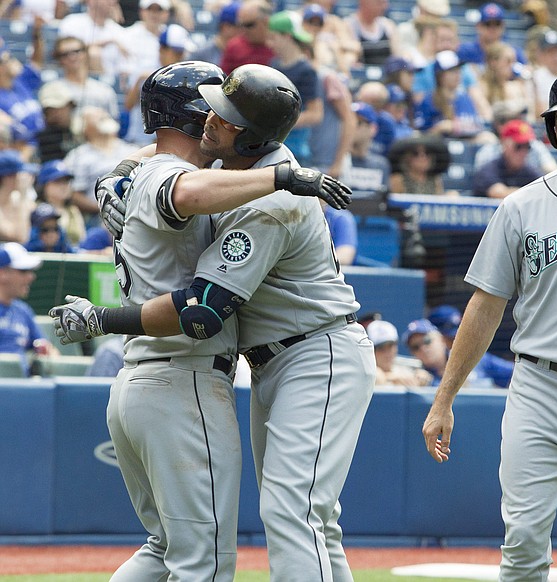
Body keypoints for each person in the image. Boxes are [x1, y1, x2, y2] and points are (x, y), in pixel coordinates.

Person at [51, 63, 371, 581]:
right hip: (235, 367)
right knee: (301, 517)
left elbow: (200, 311)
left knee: (294, 511)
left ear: (246, 137)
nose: (208, 122)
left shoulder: (269, 197)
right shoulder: (231, 170)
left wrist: (102, 319)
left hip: (315, 351)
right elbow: (170, 162)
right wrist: (114, 174)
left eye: (221, 117)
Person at [421, 69, 557, 580]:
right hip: (539, 386)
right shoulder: (520, 206)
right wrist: (444, 398)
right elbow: (483, 306)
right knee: (522, 541)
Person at [268, 10, 323, 165]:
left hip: (296, 151)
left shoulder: (307, 71)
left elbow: (315, 114)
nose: (269, 43)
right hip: (271, 146)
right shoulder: (274, 64)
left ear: (287, 36)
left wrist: (277, 124)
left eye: (273, 37)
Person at [0, 242, 56, 376]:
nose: (31, 277)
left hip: (22, 389)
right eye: (23, 271)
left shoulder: (23, 311)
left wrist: (45, 352)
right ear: (2, 273)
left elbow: (49, 351)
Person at [428, 304, 514, 388]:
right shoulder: (428, 367)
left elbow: (513, 372)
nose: (457, 343)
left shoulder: (478, 358)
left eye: (459, 337)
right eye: (451, 339)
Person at [44, 36, 120, 121]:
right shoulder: (53, 89)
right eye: (65, 54)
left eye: (76, 51)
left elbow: (113, 122)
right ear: (59, 59)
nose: (72, 57)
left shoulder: (104, 90)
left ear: (85, 53)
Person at [404, 318, 494, 388]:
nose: (423, 348)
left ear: (442, 339)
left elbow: (507, 374)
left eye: (427, 341)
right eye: (415, 347)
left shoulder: (472, 357)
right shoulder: (416, 375)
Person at [472, 119, 542, 198]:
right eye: (519, 146)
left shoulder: (527, 170)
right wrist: (532, 193)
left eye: (527, 146)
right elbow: (499, 193)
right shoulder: (489, 169)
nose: (523, 152)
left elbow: (543, 190)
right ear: (505, 143)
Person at [341, 101, 392, 197]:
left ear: (373, 129)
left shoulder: (381, 164)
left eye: (358, 123)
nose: (351, 126)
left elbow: (383, 200)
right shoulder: (337, 160)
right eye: (349, 121)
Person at [368, 319, 433, 386]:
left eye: (390, 346)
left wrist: (420, 377)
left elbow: (423, 377)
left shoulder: (405, 370)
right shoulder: (367, 371)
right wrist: (393, 378)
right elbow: (377, 378)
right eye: (381, 348)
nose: (387, 353)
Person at [388, 134, 458, 196]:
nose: (423, 157)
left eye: (427, 153)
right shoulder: (397, 180)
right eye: (415, 153)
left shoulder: (435, 179)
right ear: (407, 158)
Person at [35, 160, 85, 245]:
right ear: (44, 186)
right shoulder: (35, 208)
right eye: (57, 182)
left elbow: (82, 240)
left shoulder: (72, 210)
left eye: (66, 182)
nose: (63, 186)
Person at [220, 0, 274, 74]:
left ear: (265, 21)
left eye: (249, 25)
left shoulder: (279, 44)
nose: (244, 30)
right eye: (241, 25)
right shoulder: (234, 46)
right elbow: (224, 79)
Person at [345, 0, 400, 66]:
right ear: (364, 2)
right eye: (379, 2)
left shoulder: (388, 25)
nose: (385, 6)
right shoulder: (347, 25)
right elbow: (349, 58)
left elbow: (398, 55)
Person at [187, 1, 241, 66]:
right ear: (226, 27)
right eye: (240, 26)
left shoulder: (246, 50)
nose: (244, 31)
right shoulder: (202, 54)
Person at [0, 149, 36, 245]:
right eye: (21, 173)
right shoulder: (21, 199)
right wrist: (23, 195)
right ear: (8, 177)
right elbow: (20, 237)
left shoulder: (16, 199)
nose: (27, 177)